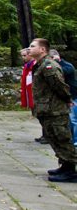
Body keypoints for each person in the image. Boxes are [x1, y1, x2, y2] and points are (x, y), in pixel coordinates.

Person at [28, 39, 77, 182]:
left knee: (62, 138)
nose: (29, 49)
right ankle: (64, 165)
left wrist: (68, 99)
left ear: (42, 49)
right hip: (46, 109)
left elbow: (60, 86)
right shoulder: (40, 65)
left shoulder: (49, 66)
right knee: (53, 138)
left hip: (55, 109)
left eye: (32, 46)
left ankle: (71, 170)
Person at [49, 49, 77, 148]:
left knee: (73, 119)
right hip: (65, 96)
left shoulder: (67, 66)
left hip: (72, 95)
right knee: (68, 119)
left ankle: (75, 140)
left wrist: (56, 62)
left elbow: (61, 73)